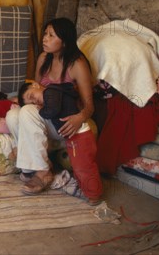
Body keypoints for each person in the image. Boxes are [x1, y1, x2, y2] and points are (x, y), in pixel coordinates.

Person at [6, 17, 102, 204]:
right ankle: (39, 164)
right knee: (12, 115)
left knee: (27, 113)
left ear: (64, 41)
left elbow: (89, 106)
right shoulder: (43, 59)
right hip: (46, 120)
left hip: (65, 124)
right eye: (45, 34)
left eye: (51, 35)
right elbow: (36, 90)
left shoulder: (77, 64)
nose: (45, 38)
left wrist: (79, 118)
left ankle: (42, 173)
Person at [17, 81, 102, 204]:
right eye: (33, 102)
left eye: (32, 97)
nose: (35, 102)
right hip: (67, 132)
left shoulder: (50, 91)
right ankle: (88, 190)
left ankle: (94, 194)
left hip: (79, 131)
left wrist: (40, 110)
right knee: (79, 165)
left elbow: (52, 110)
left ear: (35, 85)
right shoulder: (51, 92)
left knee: (84, 166)